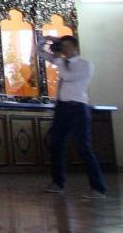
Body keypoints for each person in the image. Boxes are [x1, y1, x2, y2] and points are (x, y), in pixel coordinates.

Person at [38, 34, 107, 199]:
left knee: (83, 146)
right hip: (62, 108)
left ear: (75, 47)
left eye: (67, 46)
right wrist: (43, 41)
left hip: (78, 108)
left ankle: (98, 188)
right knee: (55, 143)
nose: (64, 49)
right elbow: (41, 54)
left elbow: (68, 77)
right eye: (62, 47)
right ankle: (57, 182)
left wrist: (59, 58)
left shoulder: (85, 65)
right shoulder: (62, 62)